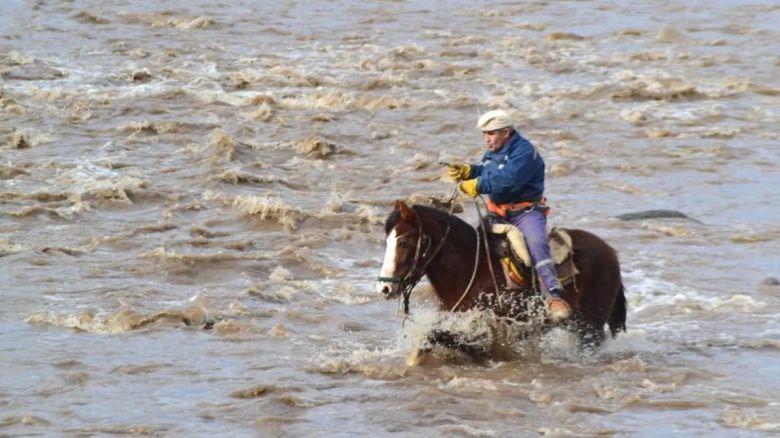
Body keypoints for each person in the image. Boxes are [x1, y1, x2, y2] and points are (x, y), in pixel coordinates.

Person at [447, 109, 572, 322]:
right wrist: (471, 171)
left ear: (506, 132)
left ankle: (554, 296)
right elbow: (490, 172)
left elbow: (508, 180)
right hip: (497, 212)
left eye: (491, 133)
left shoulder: (524, 152)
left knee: (536, 242)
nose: (487, 139)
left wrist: (477, 184)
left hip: (525, 213)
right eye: (485, 134)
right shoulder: (494, 150)